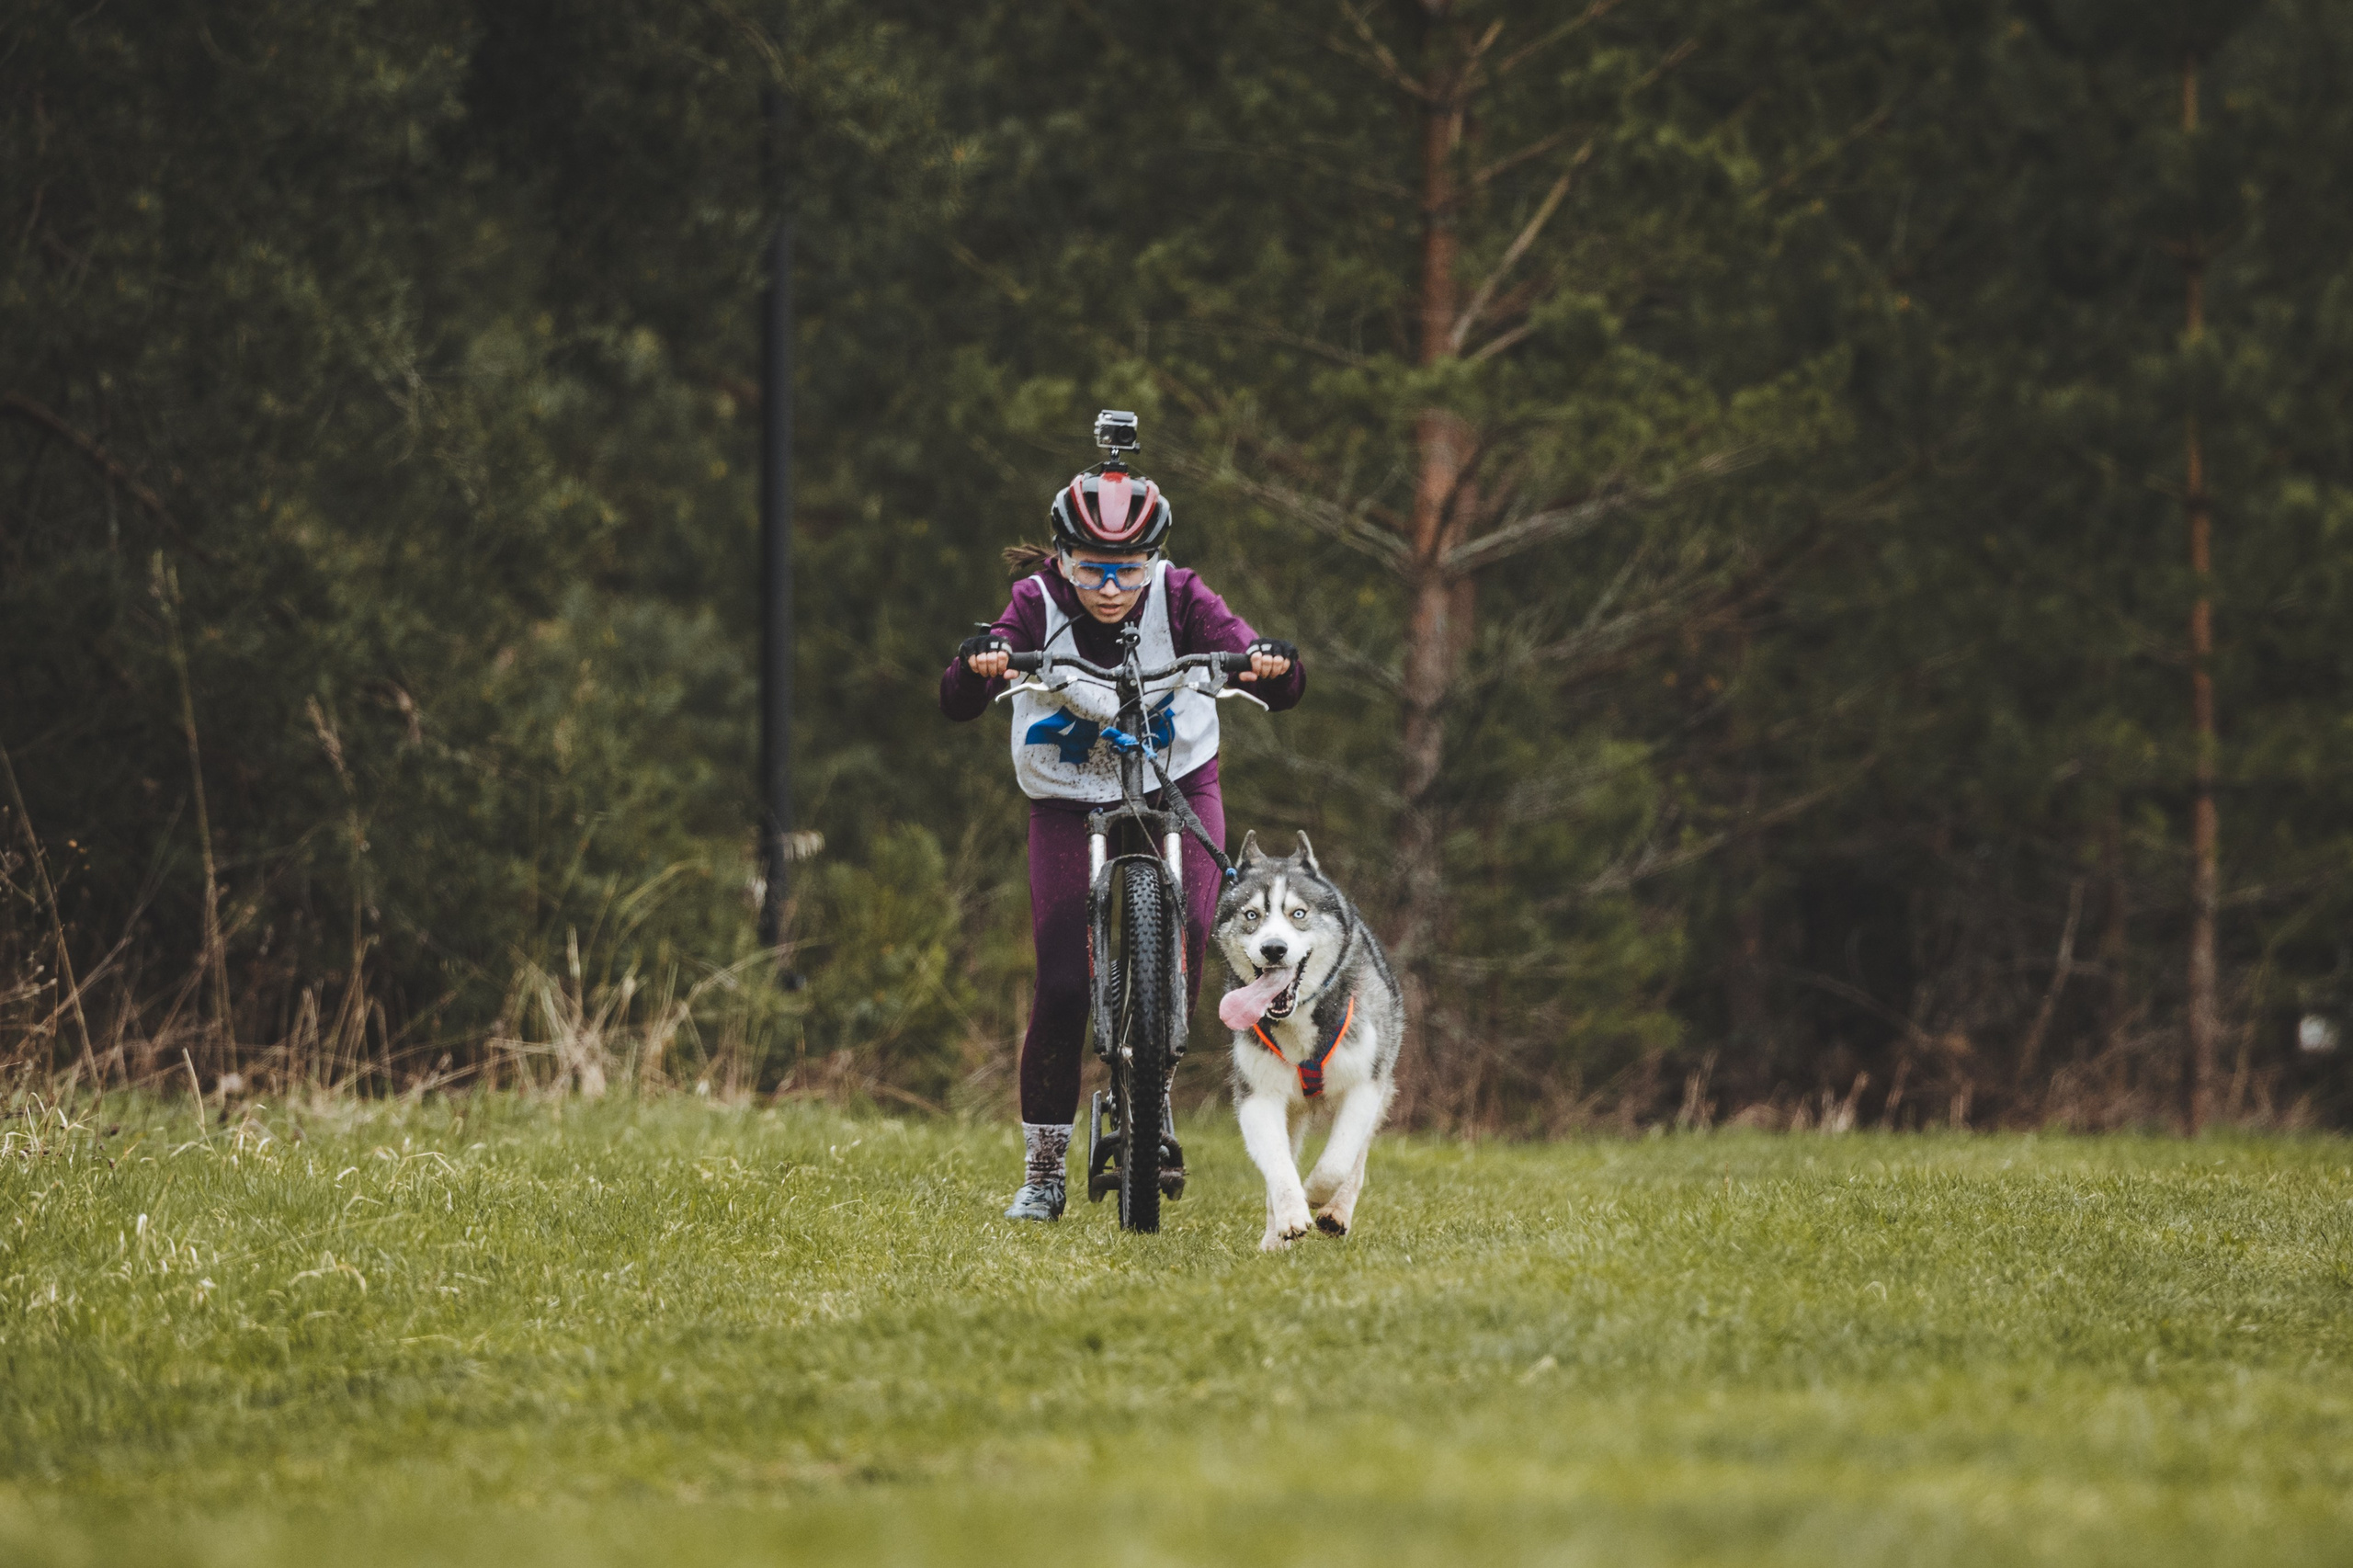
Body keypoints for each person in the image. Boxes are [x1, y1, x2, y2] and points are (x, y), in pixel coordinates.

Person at [940, 451, 1303, 1221]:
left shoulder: (1183, 597)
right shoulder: (1035, 601)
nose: (1110, 589)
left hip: (1176, 783)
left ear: (1155, 561)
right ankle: (1044, 1171)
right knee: (1066, 983)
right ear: (1063, 557)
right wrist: (981, 663)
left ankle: (1155, 1093)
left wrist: (1269, 664)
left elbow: (1268, 666)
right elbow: (959, 694)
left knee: (1199, 926)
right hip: (1069, 799)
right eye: (1092, 569)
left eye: (1129, 570)